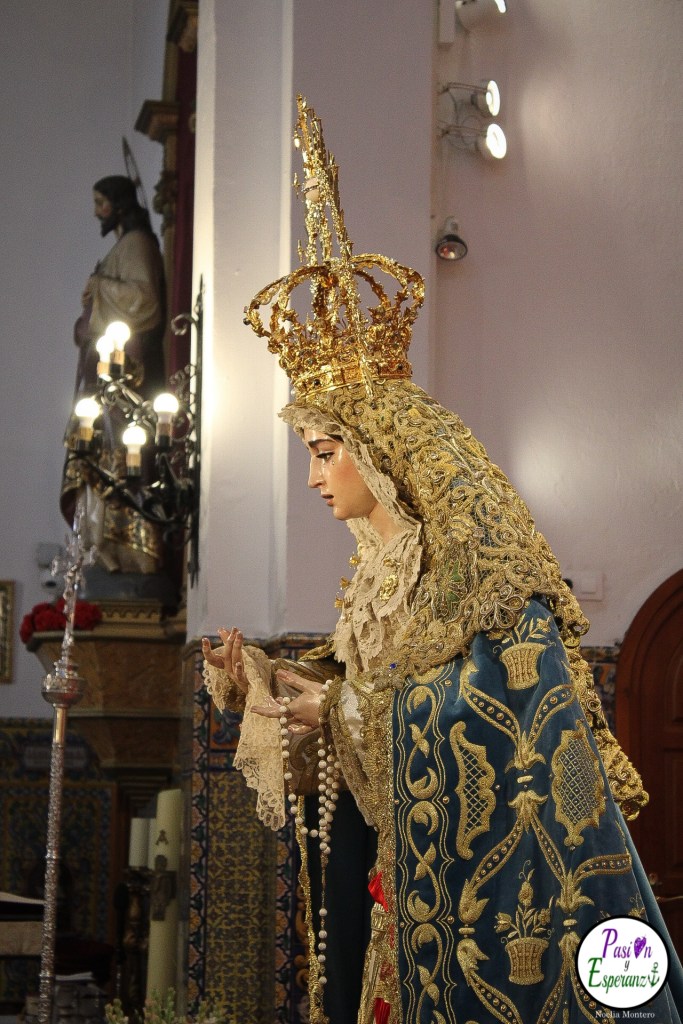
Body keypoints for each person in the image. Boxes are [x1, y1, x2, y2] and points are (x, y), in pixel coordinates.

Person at [203, 97, 683, 1024]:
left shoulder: (482, 575)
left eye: (324, 452)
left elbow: (506, 725)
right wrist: (270, 681)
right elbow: (374, 695)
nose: (313, 477)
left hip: (486, 902)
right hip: (391, 881)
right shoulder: (373, 583)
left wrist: (340, 709)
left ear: (381, 454)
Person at [61, 175, 167, 574]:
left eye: (101, 203)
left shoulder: (138, 244)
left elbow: (146, 301)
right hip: (103, 376)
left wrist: (100, 286)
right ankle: (99, 545)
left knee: (121, 455)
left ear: (120, 204)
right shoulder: (123, 246)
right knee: (96, 453)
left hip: (128, 377)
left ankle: (130, 552)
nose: (97, 212)